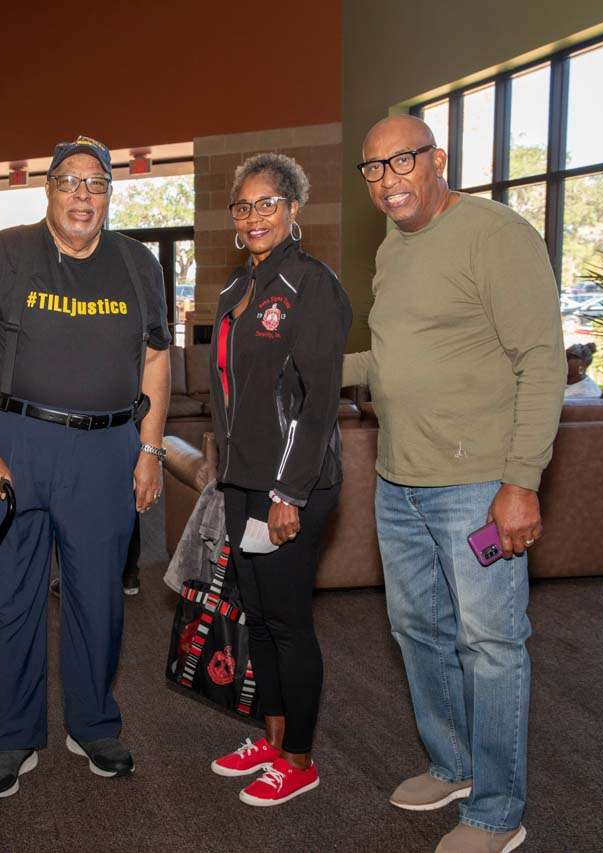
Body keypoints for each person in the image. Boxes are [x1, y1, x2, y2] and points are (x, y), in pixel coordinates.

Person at [345, 115, 564, 853]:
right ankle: (455, 764)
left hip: (477, 487)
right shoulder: (393, 246)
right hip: (399, 480)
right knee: (418, 631)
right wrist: (313, 367)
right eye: (373, 168)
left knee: (491, 643)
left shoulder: (495, 234)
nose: (388, 180)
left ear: (438, 159)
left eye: (403, 161)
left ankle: (499, 811)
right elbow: (393, 356)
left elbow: (542, 360)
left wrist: (521, 482)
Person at [0, 135, 171, 798]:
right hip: (16, 443)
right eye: (69, 181)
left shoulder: (137, 264)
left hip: (106, 449)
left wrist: (150, 449)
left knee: (98, 596)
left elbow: (156, 359)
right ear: (47, 189)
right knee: (13, 595)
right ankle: (14, 736)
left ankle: (93, 723)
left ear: (110, 194)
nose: (82, 195)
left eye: (96, 183)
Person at [206, 153, 352, 807]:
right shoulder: (235, 289)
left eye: (267, 203)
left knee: (289, 621)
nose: (253, 216)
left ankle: (299, 758)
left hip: (294, 485)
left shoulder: (311, 283)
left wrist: (289, 493)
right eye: (243, 206)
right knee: (258, 617)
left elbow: (319, 402)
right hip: (242, 481)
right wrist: (223, 471)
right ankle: (270, 739)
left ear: (293, 209)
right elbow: (230, 393)